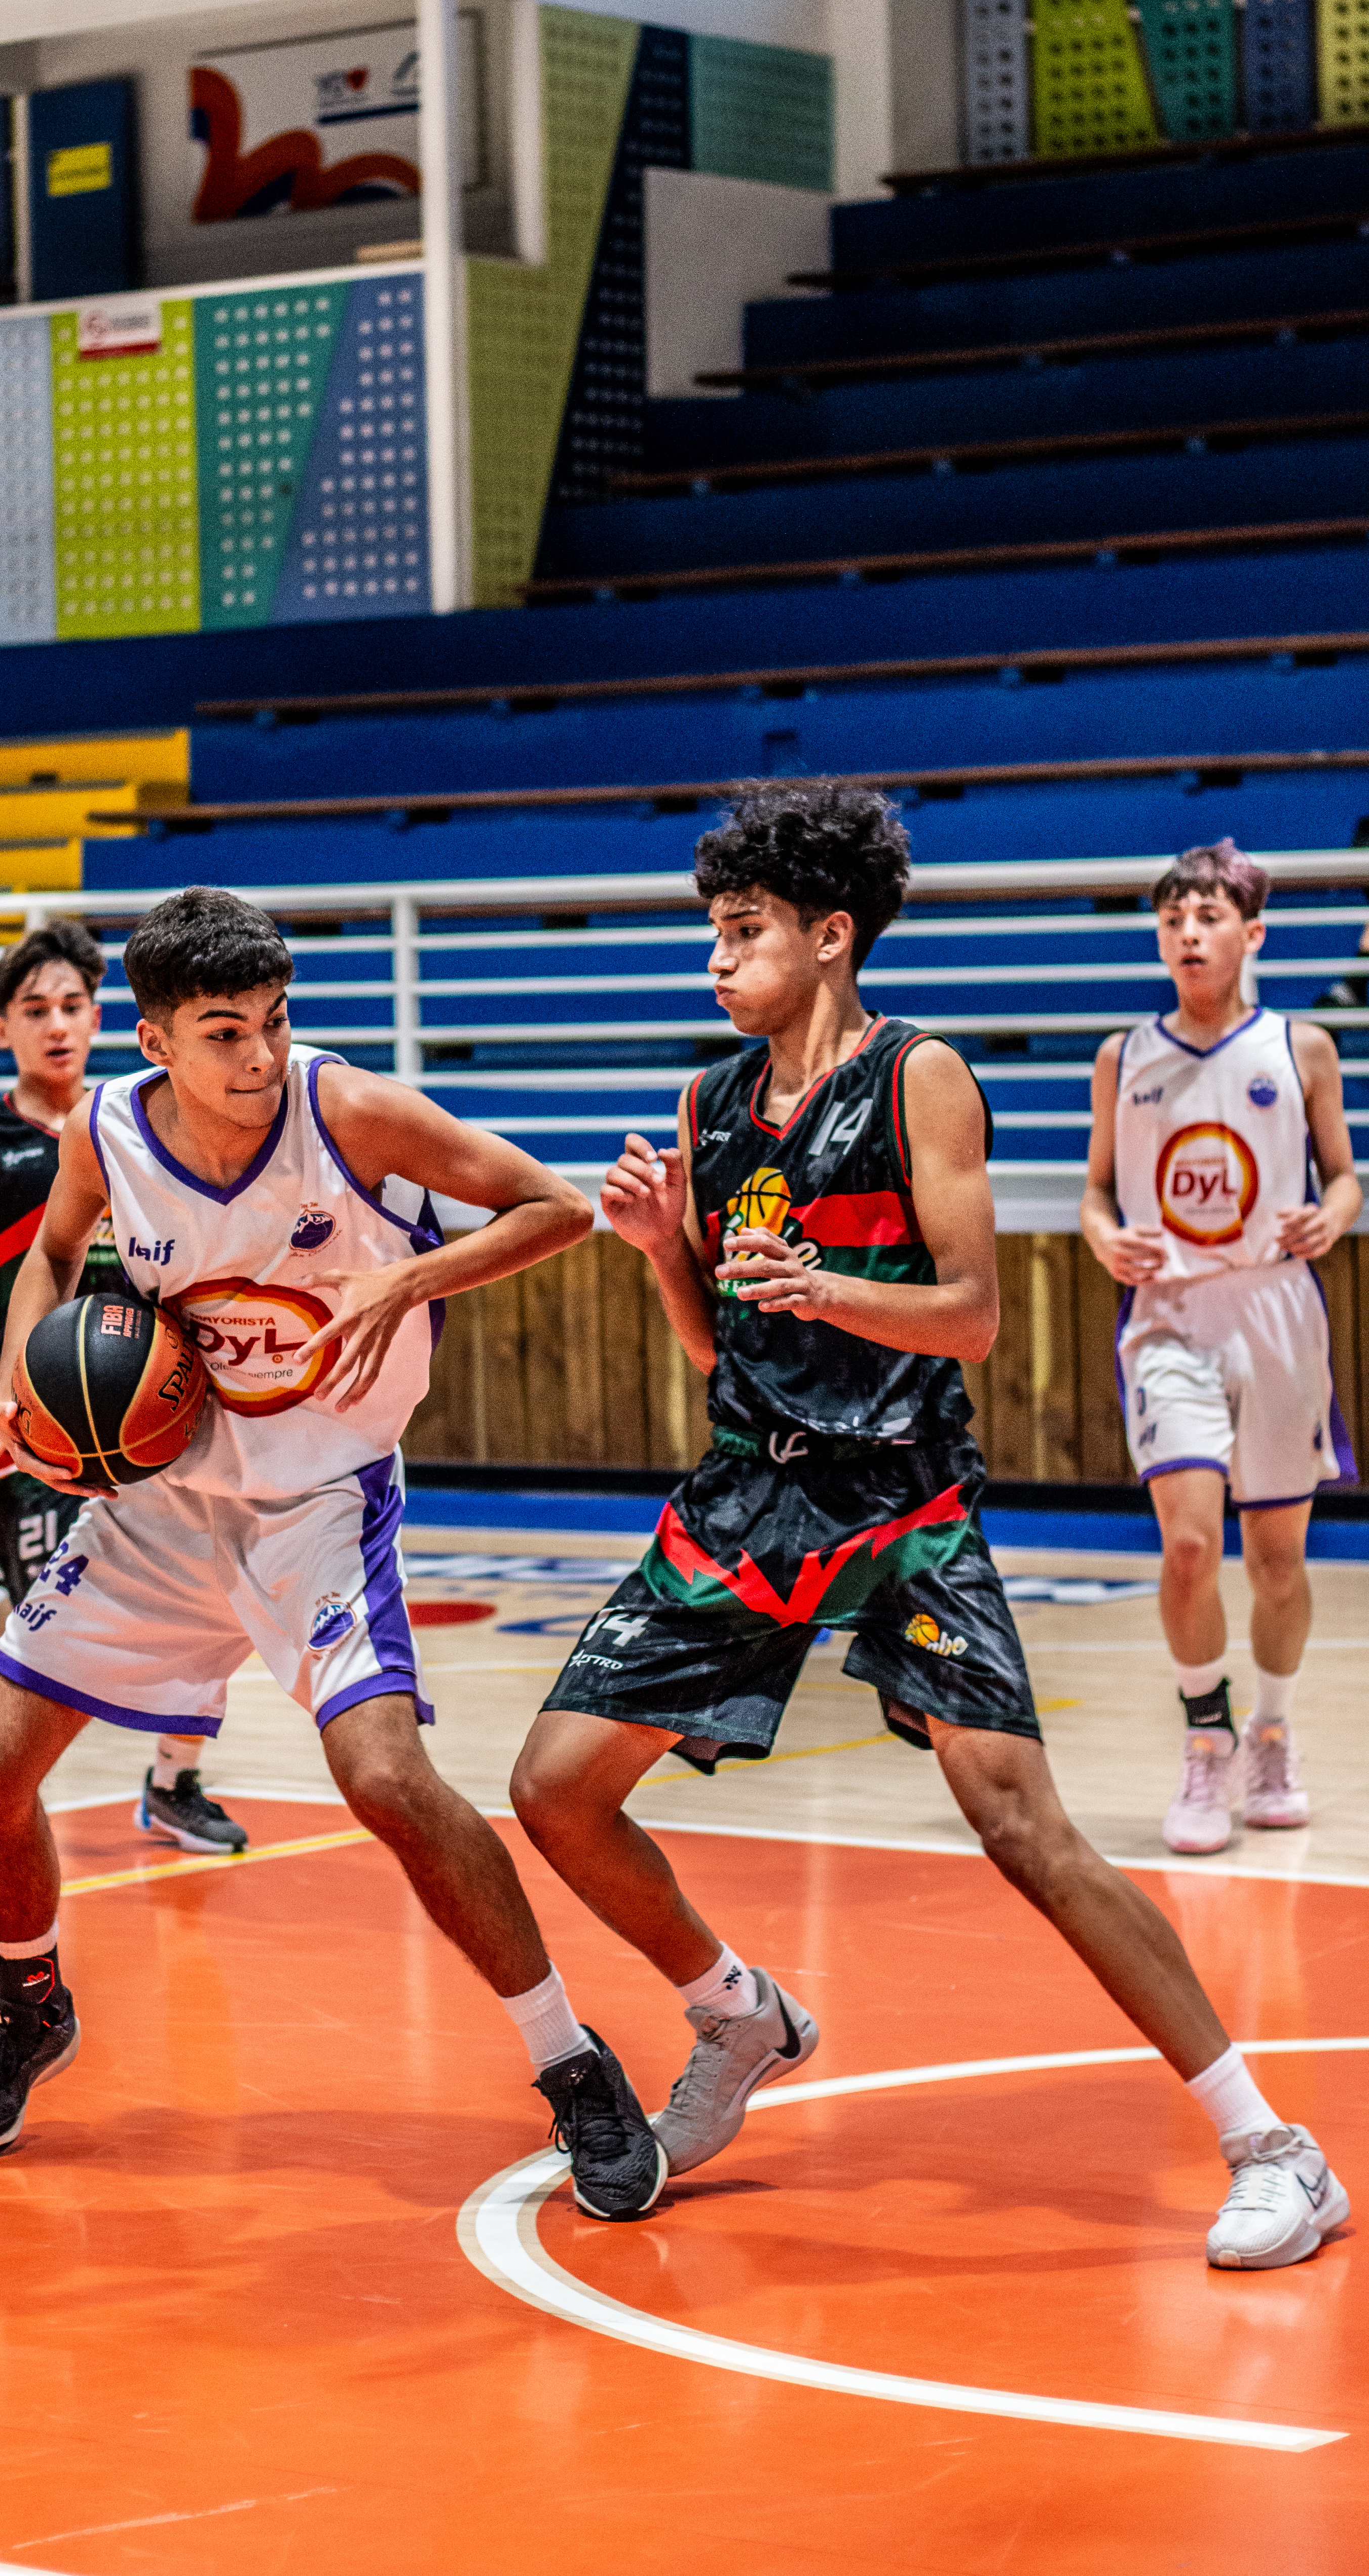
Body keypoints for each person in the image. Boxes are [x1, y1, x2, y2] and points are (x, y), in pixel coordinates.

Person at [509, 784, 1347, 2273]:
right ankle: (732, 2008)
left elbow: (971, 1317)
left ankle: (1269, 2142)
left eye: (744, 928)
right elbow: (720, 1354)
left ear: (829, 937)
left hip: (901, 1499)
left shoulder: (919, 1077)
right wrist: (658, 1255)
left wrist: (824, 1289)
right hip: (746, 1492)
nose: (716, 955)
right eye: (711, 929)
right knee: (556, 1788)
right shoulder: (711, 1109)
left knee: (1021, 1824)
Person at [0, 886, 664, 2219]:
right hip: (160, 1502)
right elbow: (44, 1262)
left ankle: (572, 2063)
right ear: (152, 1039)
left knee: (383, 1776)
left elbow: (552, 1208)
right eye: (224, 1032)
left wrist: (405, 1278)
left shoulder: (349, 1111)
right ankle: (27, 2000)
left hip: (319, 1498)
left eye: (272, 1022)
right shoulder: (104, 1129)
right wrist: (18, 1400)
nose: (258, 1055)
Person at [0, 920, 248, 1857]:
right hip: (38, 1423)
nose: (56, 1025)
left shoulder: (137, 1123)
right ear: (0, 1028)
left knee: (220, 1595)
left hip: (154, 1409)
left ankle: (175, 1783)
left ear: (101, 1018)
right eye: (33, 1010)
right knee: (52, 1634)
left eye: (70, 1007)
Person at [1081, 840, 1360, 1856]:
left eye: (1206, 917)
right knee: (1192, 1543)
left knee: (1279, 1557)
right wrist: (1106, 1236)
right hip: (1171, 1315)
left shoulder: (1304, 1048)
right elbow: (1097, 1191)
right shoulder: (1124, 1054)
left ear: (1252, 934)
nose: (1187, 934)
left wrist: (1334, 1214)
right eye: (1172, 920)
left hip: (1278, 1312)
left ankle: (1272, 1735)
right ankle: (1206, 1742)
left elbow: (1343, 1175)